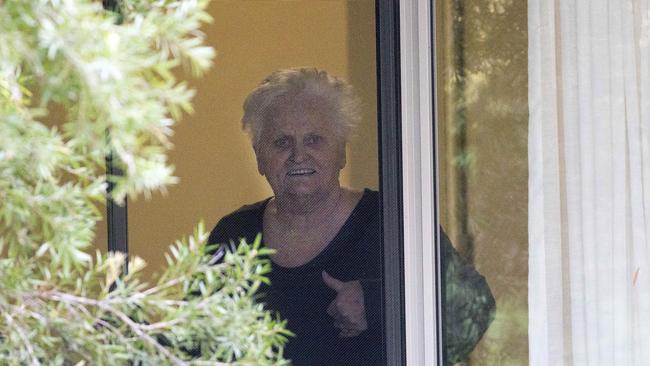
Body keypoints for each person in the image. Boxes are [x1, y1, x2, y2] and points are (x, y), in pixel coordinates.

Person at [208, 68, 494, 365]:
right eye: (281, 142)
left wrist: (377, 303)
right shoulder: (233, 235)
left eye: (314, 140)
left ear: (341, 152)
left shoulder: (391, 223)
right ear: (259, 156)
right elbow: (192, 343)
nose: (298, 155)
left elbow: (475, 306)